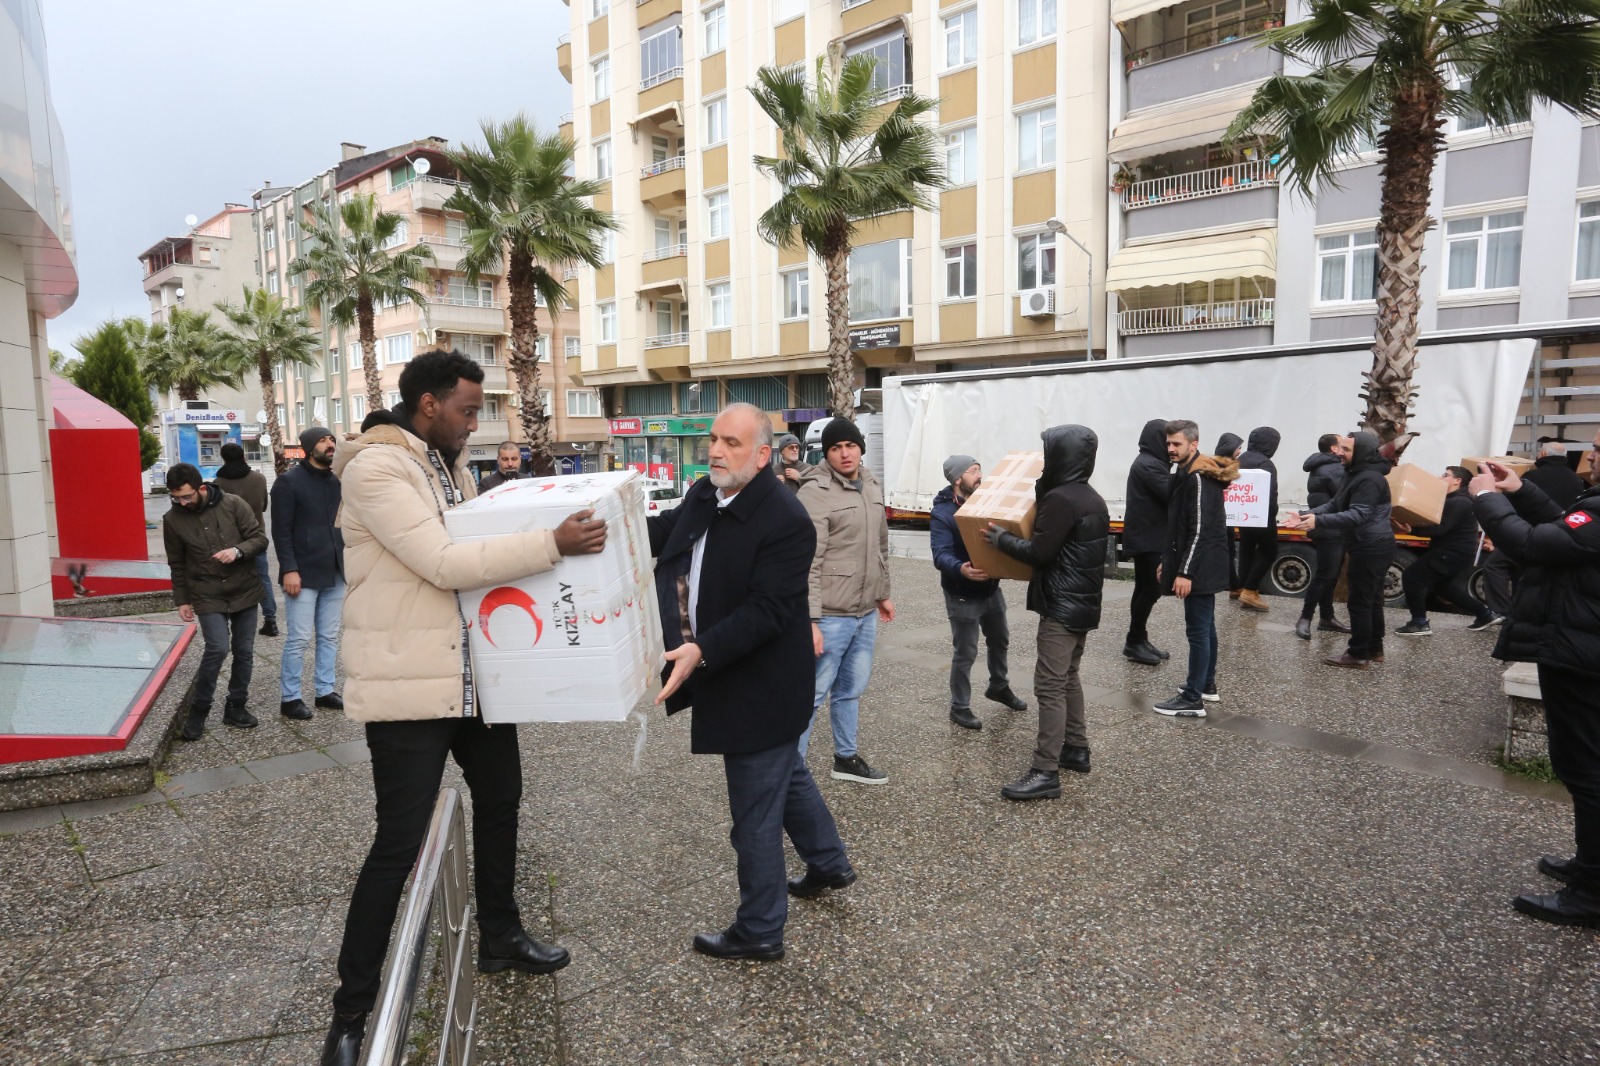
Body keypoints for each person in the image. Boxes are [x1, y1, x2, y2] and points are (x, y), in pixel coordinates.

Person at [317, 350, 607, 1066]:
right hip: (409, 686)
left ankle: (501, 938)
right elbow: (444, 562)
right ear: (427, 406)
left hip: (471, 679)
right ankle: (350, 1015)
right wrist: (551, 544)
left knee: (503, 797)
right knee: (399, 846)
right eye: (469, 411)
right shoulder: (378, 469)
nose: (476, 425)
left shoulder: (444, 465)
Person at [649, 402, 853, 961]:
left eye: (732, 443)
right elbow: (661, 535)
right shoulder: (706, 493)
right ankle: (830, 863)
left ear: (763, 455)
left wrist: (700, 649)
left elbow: (766, 611)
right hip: (732, 674)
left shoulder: (785, 520)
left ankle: (761, 928)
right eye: (714, 439)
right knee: (787, 777)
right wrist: (597, 531)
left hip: (760, 685)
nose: (716, 450)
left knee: (754, 817)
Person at [1471, 458, 1600, 929]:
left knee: (1586, 771)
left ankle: (1591, 892)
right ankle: (1588, 868)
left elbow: (1532, 543)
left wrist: (1487, 498)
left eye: (1598, 449)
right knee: (1583, 767)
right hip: (1580, 646)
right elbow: (1566, 528)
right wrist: (1520, 490)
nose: (1590, 458)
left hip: (1582, 654)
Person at [985, 426, 1108, 800]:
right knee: (1069, 677)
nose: (1044, 459)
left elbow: (1040, 552)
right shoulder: (1091, 497)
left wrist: (1001, 539)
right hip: (1083, 603)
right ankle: (1076, 748)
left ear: (1062, 456)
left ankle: (1045, 771)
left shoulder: (1060, 500)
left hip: (1061, 606)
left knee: (1050, 686)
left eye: (1049, 452)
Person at [796, 418, 894, 784]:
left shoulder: (870, 483)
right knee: (812, 694)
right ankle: (792, 769)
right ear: (827, 453)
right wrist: (810, 620)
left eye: (849, 446)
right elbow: (807, 559)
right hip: (831, 615)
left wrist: (883, 593)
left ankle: (846, 758)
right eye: (835, 448)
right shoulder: (815, 491)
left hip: (864, 611)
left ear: (860, 448)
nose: (844, 453)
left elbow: (880, 544)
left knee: (851, 690)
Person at [162, 463, 267, 741]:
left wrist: (237, 551)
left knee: (243, 651)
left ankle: (236, 706)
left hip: (244, 588)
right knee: (217, 648)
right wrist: (182, 600)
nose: (181, 502)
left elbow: (259, 539)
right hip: (206, 592)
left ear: (201, 488)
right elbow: (176, 563)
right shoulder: (173, 519)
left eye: (186, 496)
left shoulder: (233, 504)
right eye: (176, 497)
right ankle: (199, 710)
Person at [930, 455, 1026, 731]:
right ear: (958, 479)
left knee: (1000, 640)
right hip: (962, 592)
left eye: (980, 469)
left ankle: (999, 686)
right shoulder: (943, 513)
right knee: (966, 651)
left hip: (991, 588)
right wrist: (961, 569)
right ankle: (959, 707)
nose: (979, 475)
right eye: (973, 471)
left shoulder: (986, 502)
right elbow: (940, 555)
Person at [1284, 430, 1394, 669]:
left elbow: (1359, 514)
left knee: (1360, 602)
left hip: (1371, 546)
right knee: (1372, 599)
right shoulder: (1355, 474)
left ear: (1362, 452)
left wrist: (1317, 522)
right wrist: (1306, 514)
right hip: (1369, 544)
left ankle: (1358, 654)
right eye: (1340, 447)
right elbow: (1335, 504)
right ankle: (1375, 649)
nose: (1340, 453)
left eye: (1346, 449)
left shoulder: (1369, 479)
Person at [1153, 420, 1236, 717]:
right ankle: (1206, 685)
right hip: (1203, 562)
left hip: (1200, 566)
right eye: (1169, 443)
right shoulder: (1186, 472)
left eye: (1177, 444)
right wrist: (1169, 562)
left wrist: (1185, 572)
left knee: (1198, 631)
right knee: (1206, 628)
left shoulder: (1199, 477)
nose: (1171, 449)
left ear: (1194, 444)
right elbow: (1179, 527)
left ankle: (1192, 698)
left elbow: (1199, 530)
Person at [271, 427, 346, 721]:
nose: (330, 445)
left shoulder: (339, 479)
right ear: (307, 448)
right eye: (323, 441)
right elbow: (281, 531)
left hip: (336, 572)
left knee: (329, 636)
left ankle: (325, 690)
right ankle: (290, 698)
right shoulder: (288, 483)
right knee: (299, 639)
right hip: (302, 575)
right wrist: (289, 569)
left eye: (331, 440)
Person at [1484, 440, 1586, 618]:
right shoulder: (1577, 480)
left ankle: (1499, 611)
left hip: (1531, 533)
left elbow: (1515, 507)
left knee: (1494, 566)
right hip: (1562, 533)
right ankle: (1522, 611)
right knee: (1526, 573)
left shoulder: (1533, 476)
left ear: (1544, 455)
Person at [1392, 467, 1498, 635]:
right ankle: (1485, 614)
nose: (1440, 477)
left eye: (1445, 475)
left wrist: (1410, 530)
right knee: (1443, 587)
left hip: (1450, 552)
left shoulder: (1458, 502)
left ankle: (1419, 622)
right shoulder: (1458, 499)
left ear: (1457, 481)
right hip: (1457, 552)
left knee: (1412, 578)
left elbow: (1439, 529)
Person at [1121, 418, 1173, 666]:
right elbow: (1171, 495)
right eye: (1168, 441)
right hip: (1149, 539)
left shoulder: (1152, 462)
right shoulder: (1149, 465)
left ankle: (1139, 639)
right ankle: (1134, 642)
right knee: (1150, 589)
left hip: (1148, 537)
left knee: (1144, 589)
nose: (1171, 447)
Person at [214, 442, 277, 637]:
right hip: (256, 538)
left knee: (231, 581)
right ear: (243, 456)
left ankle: (234, 623)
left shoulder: (218, 484)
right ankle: (271, 620)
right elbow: (264, 506)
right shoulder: (259, 479)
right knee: (263, 579)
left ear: (223, 459)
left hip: (229, 543)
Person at [1296, 434, 1352, 640]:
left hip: (1326, 527)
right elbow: (1344, 496)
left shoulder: (1322, 465)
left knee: (1330, 576)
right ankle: (1305, 618)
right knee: (1324, 576)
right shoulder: (1334, 468)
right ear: (1334, 448)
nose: (1345, 449)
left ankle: (1327, 618)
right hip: (1331, 529)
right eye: (1342, 445)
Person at [1235, 426, 1281, 612]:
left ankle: (1243, 588)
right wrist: (1273, 514)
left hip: (1243, 515)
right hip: (1262, 516)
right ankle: (1251, 590)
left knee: (1246, 548)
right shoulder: (1266, 464)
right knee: (1269, 550)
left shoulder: (1239, 459)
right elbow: (1270, 495)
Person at [1215, 432, 1244, 599]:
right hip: (1221, 516)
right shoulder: (1217, 466)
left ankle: (1234, 584)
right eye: (1238, 447)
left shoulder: (1223, 464)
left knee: (1230, 550)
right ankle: (1234, 584)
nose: (1240, 451)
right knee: (1227, 551)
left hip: (1228, 515)